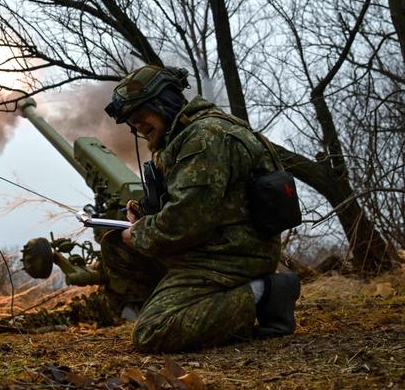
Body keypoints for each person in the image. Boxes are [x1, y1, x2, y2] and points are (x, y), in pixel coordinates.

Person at [103, 64, 301, 352]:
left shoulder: (205, 137)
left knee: (152, 333)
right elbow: (196, 206)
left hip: (233, 254)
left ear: (164, 103)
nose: (136, 126)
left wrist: (140, 232)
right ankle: (190, 305)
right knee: (118, 249)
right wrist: (144, 217)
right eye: (131, 121)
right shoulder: (186, 136)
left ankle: (265, 292)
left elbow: (186, 220)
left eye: (140, 115)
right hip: (214, 245)